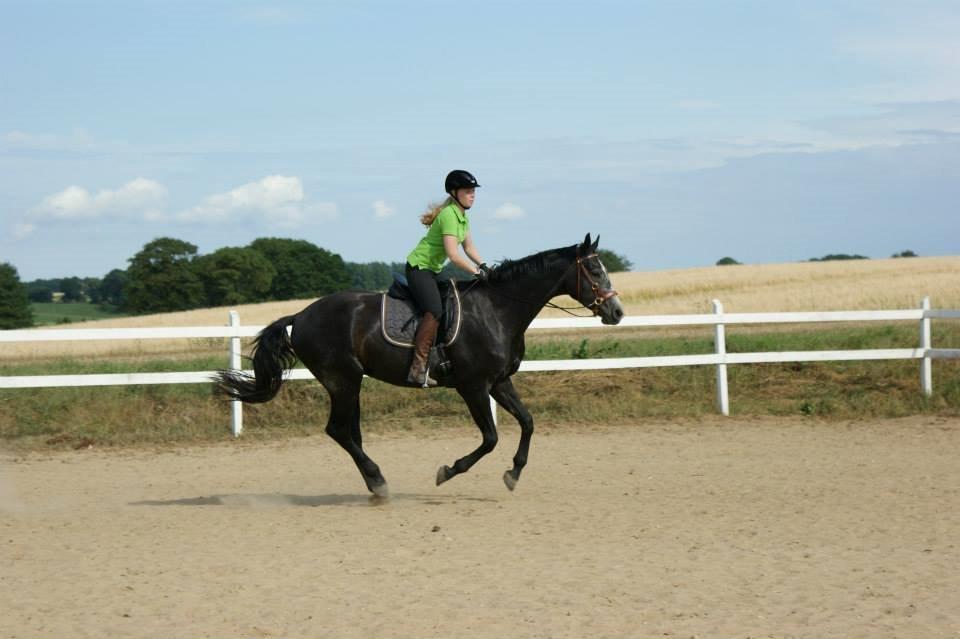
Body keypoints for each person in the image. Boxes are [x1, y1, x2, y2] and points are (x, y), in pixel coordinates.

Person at [404, 169, 491, 387]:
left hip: (433, 269)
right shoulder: (449, 216)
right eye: (468, 191)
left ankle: (444, 354)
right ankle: (418, 368)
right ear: (455, 192)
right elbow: (453, 255)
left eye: (473, 191)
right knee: (434, 310)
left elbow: (469, 247)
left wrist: (484, 266)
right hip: (419, 268)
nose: (473, 195)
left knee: (455, 301)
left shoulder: (461, 216)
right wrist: (475, 272)